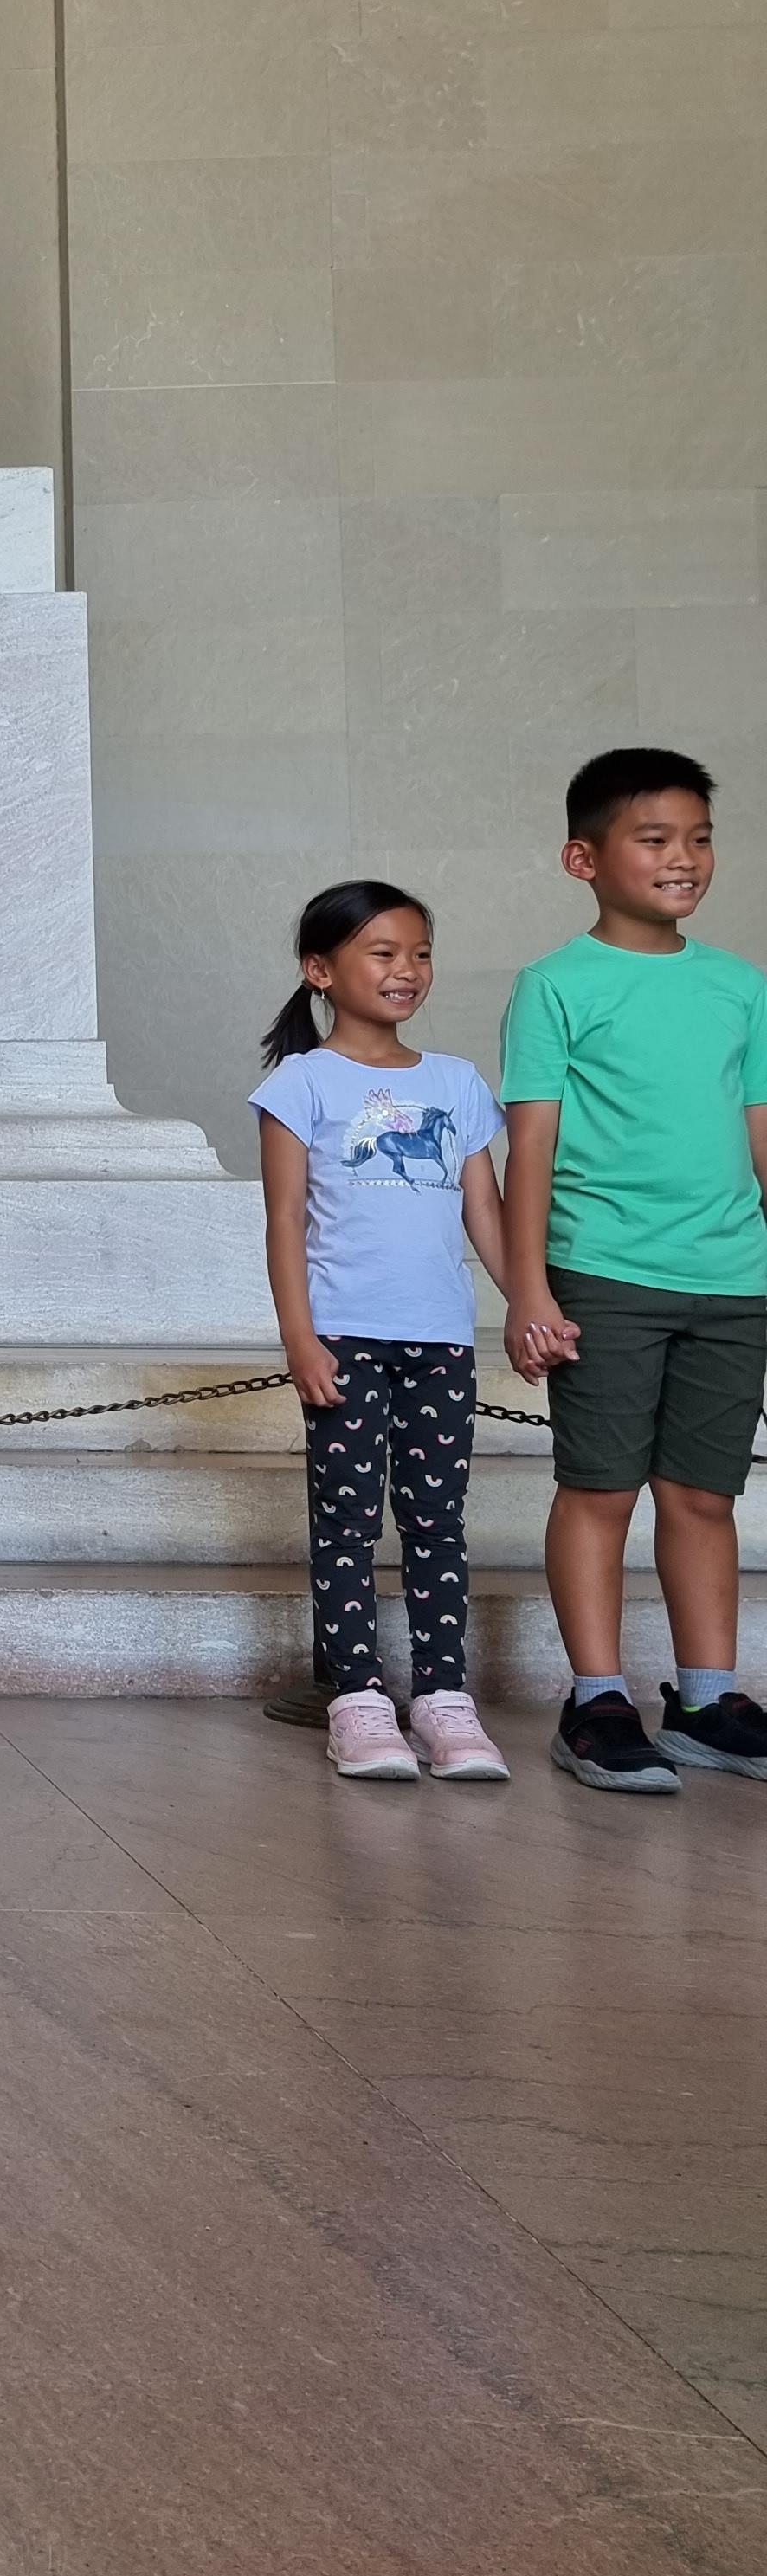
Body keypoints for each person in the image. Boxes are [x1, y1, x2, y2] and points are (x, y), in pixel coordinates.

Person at [500, 749, 767, 1793]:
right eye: (655, 839)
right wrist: (529, 1288)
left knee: (703, 1494)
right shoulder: (555, 985)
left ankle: (707, 1700)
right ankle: (597, 1701)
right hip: (604, 1273)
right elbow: (529, 1147)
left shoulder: (740, 986)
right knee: (601, 1489)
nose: (684, 857)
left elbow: (759, 1134)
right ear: (585, 858)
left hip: (733, 1278)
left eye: (699, 838)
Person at [254, 882, 516, 1780]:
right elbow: (284, 1221)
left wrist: (530, 1302)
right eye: (383, 953)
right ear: (320, 971)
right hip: (345, 1337)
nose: (407, 970)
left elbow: (486, 1211)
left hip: (441, 1338)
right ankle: (359, 1702)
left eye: (420, 953)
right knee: (347, 1520)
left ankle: (444, 1700)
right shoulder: (301, 1083)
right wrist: (300, 1338)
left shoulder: (457, 1082)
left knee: (438, 1520)